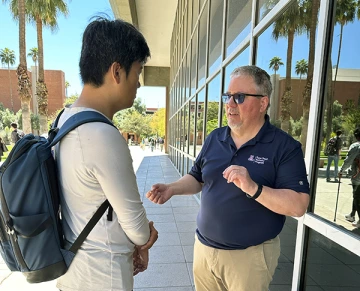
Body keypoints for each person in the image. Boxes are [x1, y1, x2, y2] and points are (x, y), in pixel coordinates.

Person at [146, 65, 310, 291]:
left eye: (240, 97)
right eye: (228, 96)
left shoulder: (284, 147)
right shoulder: (215, 137)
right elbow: (197, 177)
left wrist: (254, 188)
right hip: (204, 250)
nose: (230, 104)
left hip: (249, 259)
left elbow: (298, 205)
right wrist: (171, 188)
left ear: (263, 103)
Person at [55, 17, 158, 291]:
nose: (138, 84)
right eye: (138, 72)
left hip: (71, 269)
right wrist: (147, 238)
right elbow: (136, 226)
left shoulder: (63, 121)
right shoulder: (102, 134)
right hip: (103, 276)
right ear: (117, 71)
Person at [339, 128, 360, 228]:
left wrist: (341, 171)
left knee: (357, 197)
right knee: (357, 196)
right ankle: (352, 215)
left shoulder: (356, 146)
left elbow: (348, 161)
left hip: (358, 177)